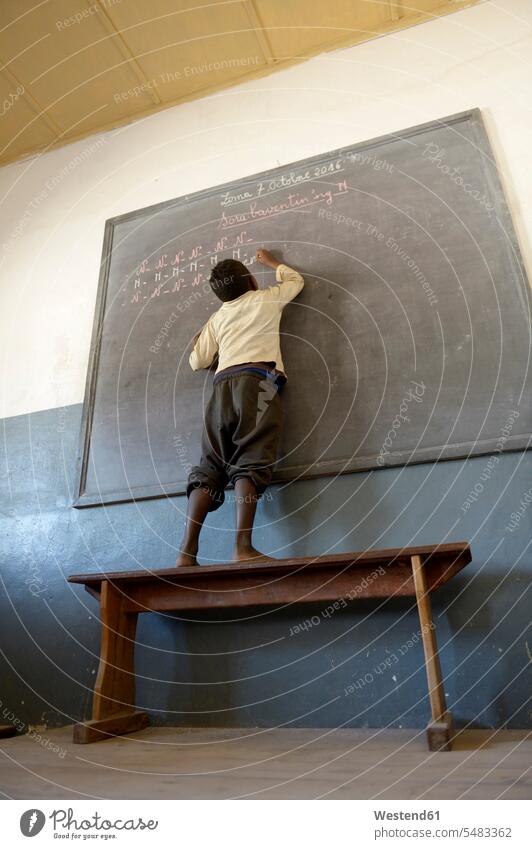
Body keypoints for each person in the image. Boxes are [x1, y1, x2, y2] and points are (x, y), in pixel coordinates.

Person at [175, 248, 305, 566]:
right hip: (258, 381)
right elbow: (295, 281)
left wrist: (200, 339)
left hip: (222, 387)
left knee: (210, 465)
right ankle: (243, 548)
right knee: (251, 458)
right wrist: (273, 263)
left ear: (219, 295)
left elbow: (198, 361)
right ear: (250, 280)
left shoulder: (218, 317)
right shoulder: (265, 300)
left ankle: (186, 553)